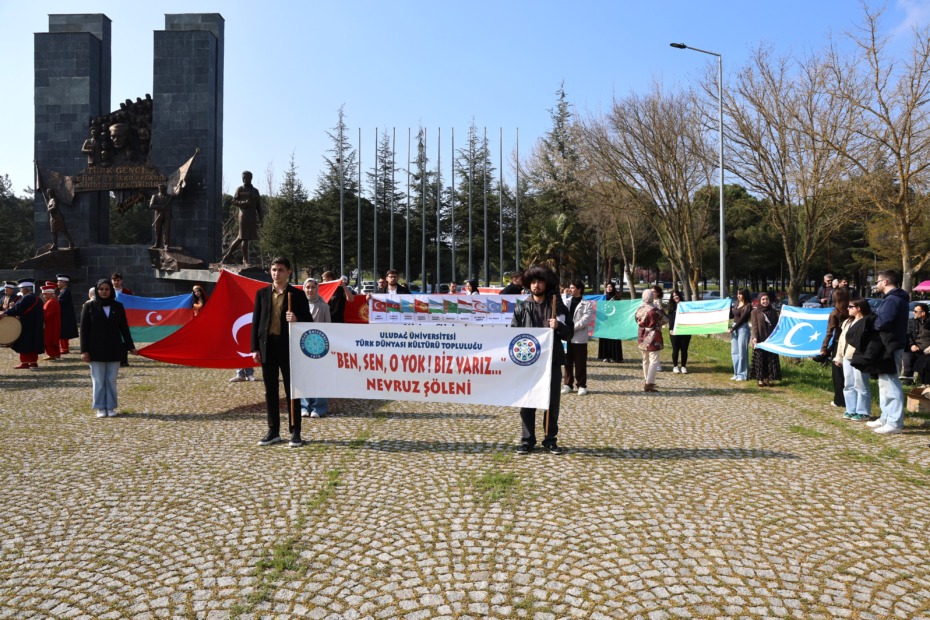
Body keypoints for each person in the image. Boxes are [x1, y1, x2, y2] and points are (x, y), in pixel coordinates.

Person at [510, 265, 573, 455]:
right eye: (533, 282)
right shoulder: (522, 306)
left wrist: (559, 326)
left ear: (547, 284)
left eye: (540, 282)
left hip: (551, 362)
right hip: (528, 363)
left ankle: (550, 439)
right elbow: (513, 334)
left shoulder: (557, 306)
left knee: (551, 402)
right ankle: (527, 440)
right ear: (529, 284)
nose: (536, 285)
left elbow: (569, 334)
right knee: (527, 402)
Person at [251, 257, 313, 447]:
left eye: (280, 270)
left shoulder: (297, 295)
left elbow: (309, 323)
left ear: (288, 272)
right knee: (270, 391)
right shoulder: (262, 294)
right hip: (267, 347)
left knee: (291, 390)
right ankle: (273, 431)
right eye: (273, 269)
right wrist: (254, 348)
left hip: (289, 348)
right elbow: (256, 323)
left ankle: (295, 432)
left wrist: (296, 318)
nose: (276, 273)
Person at [79, 279, 138, 418]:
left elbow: (124, 328)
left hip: (114, 348)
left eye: (107, 289)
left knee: (111, 380)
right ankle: (100, 407)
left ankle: (110, 406)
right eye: (101, 289)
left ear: (111, 290)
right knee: (98, 380)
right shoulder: (89, 307)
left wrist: (130, 347)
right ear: (97, 291)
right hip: (95, 349)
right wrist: (84, 351)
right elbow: (83, 330)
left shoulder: (118, 306)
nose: (104, 292)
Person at [864, 270, 910, 434]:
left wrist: (871, 322)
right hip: (889, 343)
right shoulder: (893, 299)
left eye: (877, 281)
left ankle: (895, 422)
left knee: (890, 383)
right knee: (884, 383)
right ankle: (886, 417)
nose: (876, 284)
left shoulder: (893, 300)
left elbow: (883, 322)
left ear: (885, 282)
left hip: (890, 344)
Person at [834, 298, 872, 421]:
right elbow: (841, 340)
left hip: (859, 357)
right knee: (848, 384)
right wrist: (839, 356)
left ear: (859, 308)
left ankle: (863, 411)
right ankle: (851, 409)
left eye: (851, 306)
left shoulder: (867, 322)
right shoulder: (847, 322)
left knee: (861, 384)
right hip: (846, 357)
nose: (848, 309)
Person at [300, 277, 331, 419]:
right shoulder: (298, 305)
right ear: (304, 289)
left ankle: (319, 407)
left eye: (313, 287)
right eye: (308, 287)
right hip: (302, 346)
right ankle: (305, 405)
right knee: (304, 377)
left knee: (319, 377)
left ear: (317, 289)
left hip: (319, 347)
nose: (310, 290)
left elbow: (328, 328)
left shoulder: (324, 307)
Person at [561, 279, 595, 396]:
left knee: (580, 362)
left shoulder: (587, 304)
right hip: (566, 336)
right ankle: (567, 384)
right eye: (570, 287)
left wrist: (572, 328)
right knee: (567, 361)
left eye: (573, 287)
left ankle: (581, 385)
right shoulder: (566, 301)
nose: (570, 289)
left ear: (579, 289)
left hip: (579, 337)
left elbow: (585, 320)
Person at [0, 279, 44, 369]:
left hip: (26, 324)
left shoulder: (27, 297)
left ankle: (24, 363)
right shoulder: (37, 298)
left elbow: (17, 309)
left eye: (21, 289)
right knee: (33, 343)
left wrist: (5, 313)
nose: (20, 291)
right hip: (35, 324)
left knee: (24, 343)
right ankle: (33, 362)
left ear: (25, 289)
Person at [222, 170, 263, 264]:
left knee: (240, 238)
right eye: (243, 178)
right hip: (243, 216)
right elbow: (234, 201)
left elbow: (259, 206)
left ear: (250, 178)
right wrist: (243, 203)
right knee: (245, 238)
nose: (244, 179)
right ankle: (245, 259)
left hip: (252, 216)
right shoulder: (240, 189)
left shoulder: (255, 191)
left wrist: (261, 218)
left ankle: (227, 255)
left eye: (246, 178)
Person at [820, 287, 850, 408]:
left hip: (839, 344)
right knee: (848, 374)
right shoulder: (851, 310)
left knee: (837, 374)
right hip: (851, 344)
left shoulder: (835, 313)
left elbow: (829, 332)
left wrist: (824, 347)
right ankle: (849, 400)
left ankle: (839, 400)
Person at [636, 289, 668, 392]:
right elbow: (665, 320)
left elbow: (636, 320)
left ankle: (646, 379)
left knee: (645, 359)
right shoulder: (655, 310)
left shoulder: (639, 309)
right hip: (653, 336)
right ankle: (649, 383)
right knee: (654, 360)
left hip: (642, 335)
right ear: (651, 297)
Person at [750, 292, 781, 387]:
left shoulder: (773, 311)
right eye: (763, 299)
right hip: (760, 339)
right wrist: (754, 337)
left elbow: (777, 325)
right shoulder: (755, 312)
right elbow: (755, 326)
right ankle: (760, 379)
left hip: (771, 339)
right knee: (760, 360)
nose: (765, 301)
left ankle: (768, 378)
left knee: (770, 359)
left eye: (767, 299)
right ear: (759, 300)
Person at [903, 303, 930, 385]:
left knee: (925, 360)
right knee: (907, 353)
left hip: (927, 349)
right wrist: (912, 345)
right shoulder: (911, 321)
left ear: (923, 313)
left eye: (915, 311)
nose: (913, 313)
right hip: (915, 347)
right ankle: (908, 378)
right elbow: (908, 335)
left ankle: (924, 382)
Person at [597, 281, 624, 363]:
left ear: (613, 288)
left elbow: (620, 309)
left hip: (614, 321)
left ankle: (615, 357)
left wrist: (615, 302)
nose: (609, 288)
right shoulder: (603, 298)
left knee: (613, 339)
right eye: (607, 287)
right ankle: (605, 356)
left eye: (610, 287)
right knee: (605, 338)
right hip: (604, 321)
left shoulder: (616, 298)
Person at [666, 290, 692, 374]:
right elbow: (670, 319)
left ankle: (683, 366)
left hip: (685, 331)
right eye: (673, 296)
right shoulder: (671, 307)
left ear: (679, 295)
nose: (675, 297)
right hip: (675, 331)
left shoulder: (686, 305)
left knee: (684, 349)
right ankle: (675, 366)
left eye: (676, 295)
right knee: (675, 349)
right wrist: (670, 329)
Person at [730, 288, 752, 381]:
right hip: (734, 328)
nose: (738, 296)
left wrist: (733, 328)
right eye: (738, 294)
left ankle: (742, 374)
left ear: (745, 295)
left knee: (742, 352)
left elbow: (742, 319)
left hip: (742, 328)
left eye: (740, 294)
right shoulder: (736, 304)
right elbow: (732, 315)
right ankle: (736, 373)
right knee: (734, 352)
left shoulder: (748, 306)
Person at [110, 272, 132, 367]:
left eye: (118, 280)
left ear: (121, 281)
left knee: (123, 339)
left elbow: (132, 303)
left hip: (124, 317)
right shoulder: (108, 291)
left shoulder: (127, 292)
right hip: (111, 318)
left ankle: (124, 360)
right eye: (114, 280)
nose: (116, 282)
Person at [56, 275, 78, 354]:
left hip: (65, 316)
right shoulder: (63, 291)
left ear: (64, 282)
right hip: (63, 315)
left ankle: (64, 348)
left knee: (64, 332)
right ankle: (63, 347)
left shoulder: (66, 292)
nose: (57, 283)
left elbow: (60, 303)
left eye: (59, 281)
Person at [40, 284, 61, 361]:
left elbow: (47, 315)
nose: (43, 295)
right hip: (54, 323)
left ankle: (51, 354)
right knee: (54, 339)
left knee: (48, 340)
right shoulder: (54, 301)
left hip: (50, 324)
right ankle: (56, 354)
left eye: (45, 294)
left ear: (50, 293)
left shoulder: (50, 302)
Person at [149, 183, 173, 249]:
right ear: (159, 189)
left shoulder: (169, 196)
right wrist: (160, 207)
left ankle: (166, 244)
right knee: (157, 230)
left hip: (167, 215)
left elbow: (177, 193)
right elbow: (151, 205)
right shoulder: (155, 196)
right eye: (160, 189)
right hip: (158, 215)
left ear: (165, 189)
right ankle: (157, 243)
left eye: (163, 189)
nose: (161, 190)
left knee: (166, 230)